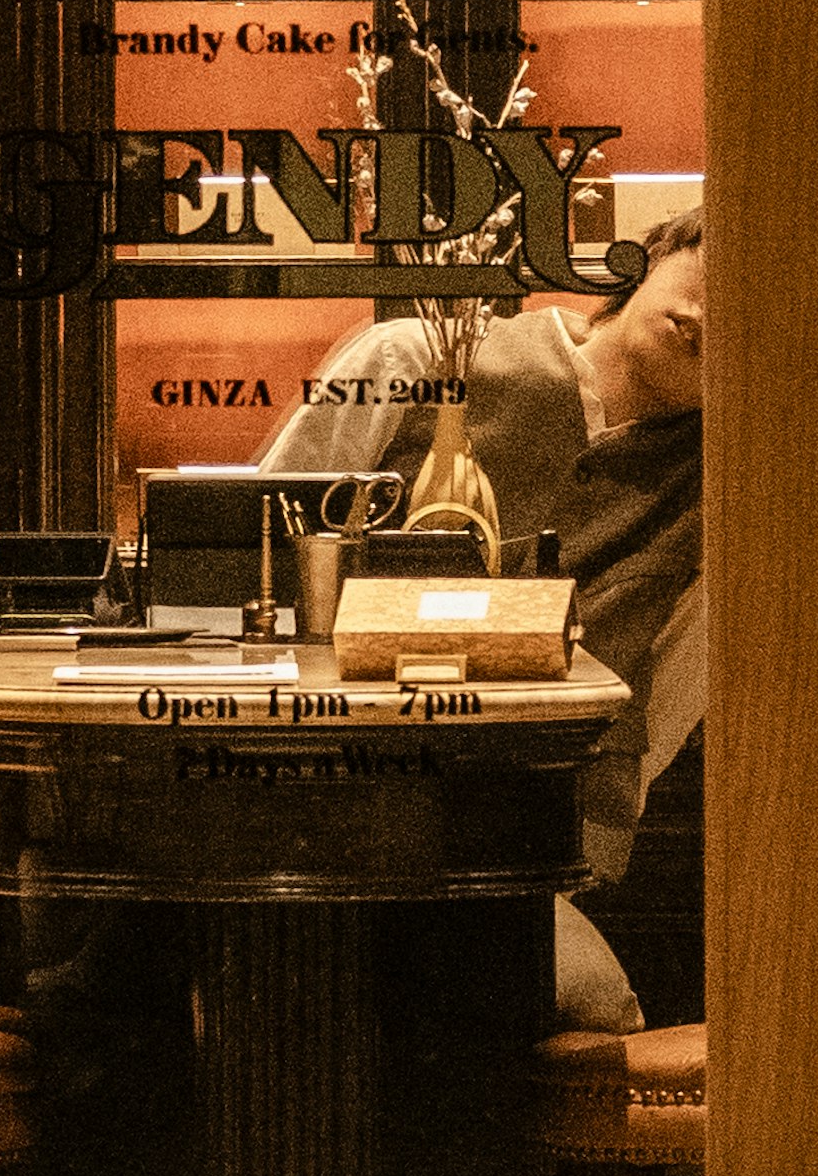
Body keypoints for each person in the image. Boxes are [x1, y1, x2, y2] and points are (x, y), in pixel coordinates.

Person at [262, 213, 705, 1019]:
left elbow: (680, 677)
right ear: (657, 250)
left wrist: (598, 797)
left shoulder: (728, 480)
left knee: (578, 1010)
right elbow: (253, 555)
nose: (718, 316)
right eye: (718, 270)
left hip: (517, 836)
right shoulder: (413, 359)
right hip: (315, 793)